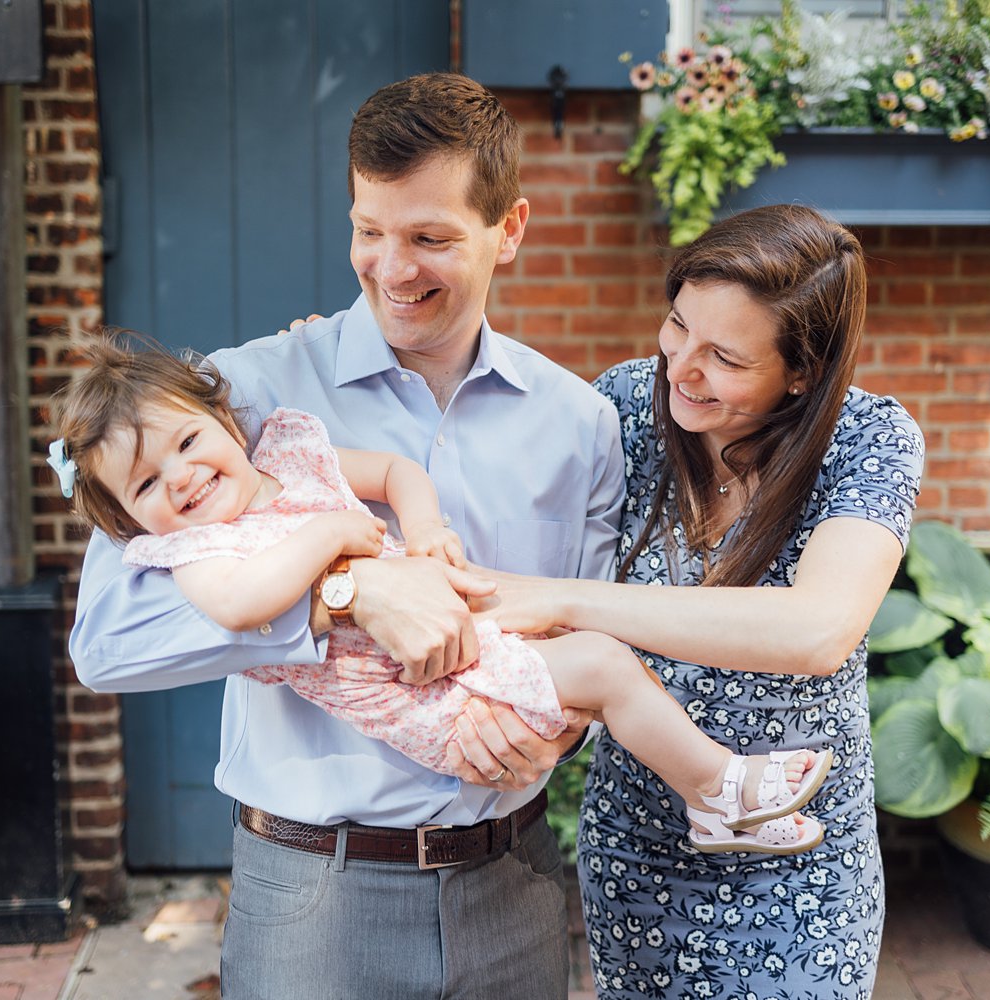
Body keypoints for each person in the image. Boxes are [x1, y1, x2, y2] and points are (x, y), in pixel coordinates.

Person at [70, 72, 610, 1000]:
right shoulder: (234, 399)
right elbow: (107, 644)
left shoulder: (579, 420)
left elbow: (596, 624)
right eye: (370, 230)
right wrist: (338, 595)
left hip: (516, 884)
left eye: (431, 238)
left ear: (509, 229)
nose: (392, 269)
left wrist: (549, 740)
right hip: (316, 895)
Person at [52, 338, 833, 855]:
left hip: (494, 804)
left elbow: (395, 474)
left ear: (225, 417)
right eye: (147, 482)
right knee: (601, 662)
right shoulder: (196, 548)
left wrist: (423, 536)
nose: (180, 478)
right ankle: (715, 789)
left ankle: (714, 792)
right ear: (129, 517)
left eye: (186, 443)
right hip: (410, 703)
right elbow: (237, 606)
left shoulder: (291, 451)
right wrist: (342, 560)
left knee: (600, 665)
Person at [459, 204, 926, 998]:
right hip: (641, 848)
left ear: (802, 372)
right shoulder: (627, 407)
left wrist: (567, 600)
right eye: (677, 325)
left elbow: (817, 630)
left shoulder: (867, 439)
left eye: (725, 357)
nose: (680, 368)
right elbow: (479, 452)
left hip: (799, 862)